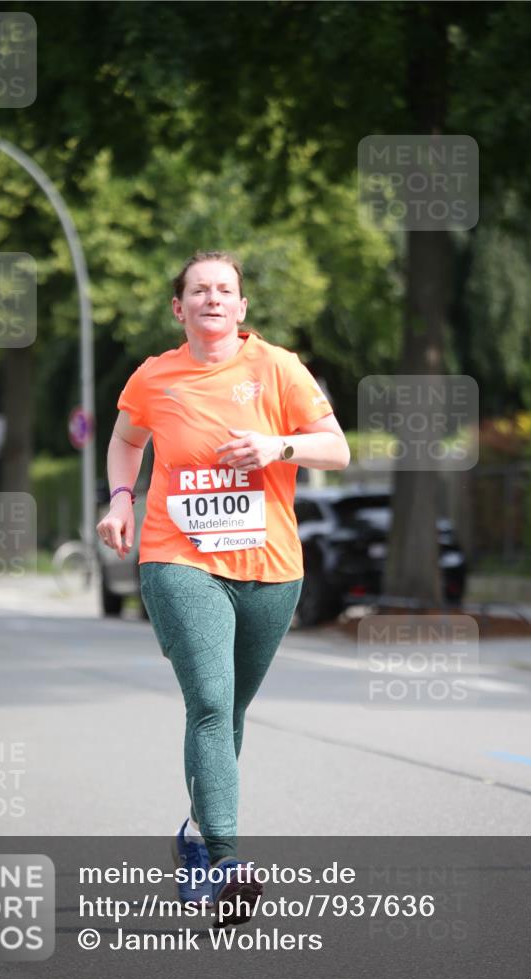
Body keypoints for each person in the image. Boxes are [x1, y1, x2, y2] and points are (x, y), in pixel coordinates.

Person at [97, 250, 350, 926]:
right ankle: (227, 860)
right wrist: (121, 499)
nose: (212, 299)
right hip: (179, 560)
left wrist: (277, 447)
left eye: (224, 290)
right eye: (198, 291)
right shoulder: (154, 376)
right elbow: (126, 440)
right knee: (209, 700)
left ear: (240, 308)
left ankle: (195, 837)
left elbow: (335, 447)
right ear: (179, 308)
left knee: (229, 711)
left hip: (271, 567)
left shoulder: (278, 368)